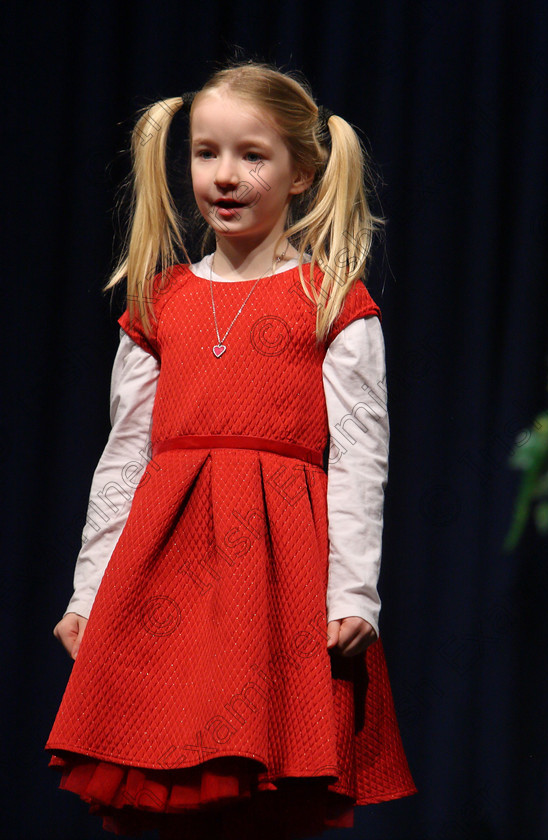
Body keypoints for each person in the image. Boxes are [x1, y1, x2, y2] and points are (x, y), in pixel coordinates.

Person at [45, 60, 417, 839]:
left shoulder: (332, 301)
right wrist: (89, 589)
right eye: (206, 152)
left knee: (260, 787)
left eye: (253, 155)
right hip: (166, 575)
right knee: (172, 782)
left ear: (302, 174)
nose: (225, 175)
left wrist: (353, 592)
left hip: (275, 578)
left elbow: (358, 456)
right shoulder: (161, 302)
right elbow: (122, 460)